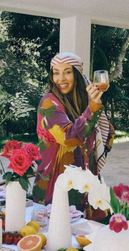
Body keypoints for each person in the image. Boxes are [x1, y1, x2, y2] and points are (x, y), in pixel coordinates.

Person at [33, 52, 115, 205]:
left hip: (84, 180)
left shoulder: (84, 101)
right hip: (56, 181)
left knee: (85, 226)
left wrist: (94, 103)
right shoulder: (48, 103)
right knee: (59, 224)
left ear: (77, 74)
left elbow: (107, 132)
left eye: (67, 72)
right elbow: (69, 137)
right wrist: (93, 107)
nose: (61, 79)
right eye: (56, 73)